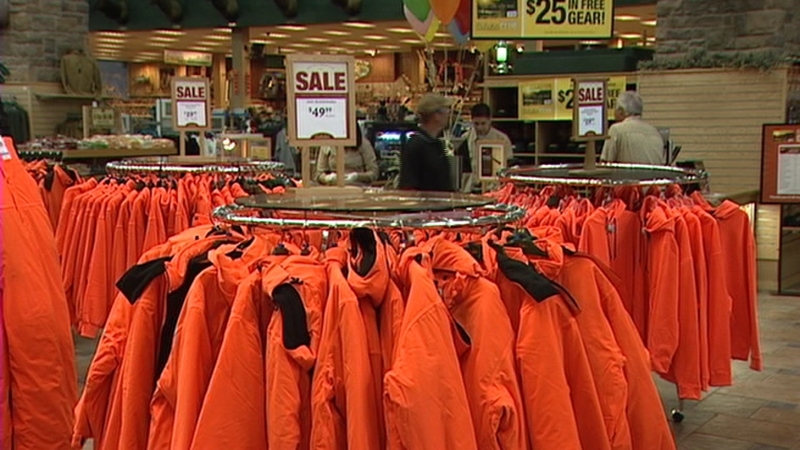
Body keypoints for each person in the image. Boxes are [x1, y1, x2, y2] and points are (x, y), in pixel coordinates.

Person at [398, 93, 454, 192]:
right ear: (436, 115)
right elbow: (408, 187)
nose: (449, 114)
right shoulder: (415, 146)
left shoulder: (436, 143)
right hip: (426, 206)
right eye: (446, 110)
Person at [456, 103, 513, 193]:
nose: (480, 127)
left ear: (490, 120)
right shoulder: (465, 139)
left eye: (483, 123)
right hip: (470, 189)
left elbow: (508, 167)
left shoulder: (502, 139)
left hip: (494, 189)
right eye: (476, 124)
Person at [600, 91, 667, 165]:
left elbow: (605, 165)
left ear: (621, 111)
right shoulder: (655, 133)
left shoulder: (616, 130)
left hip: (625, 176)